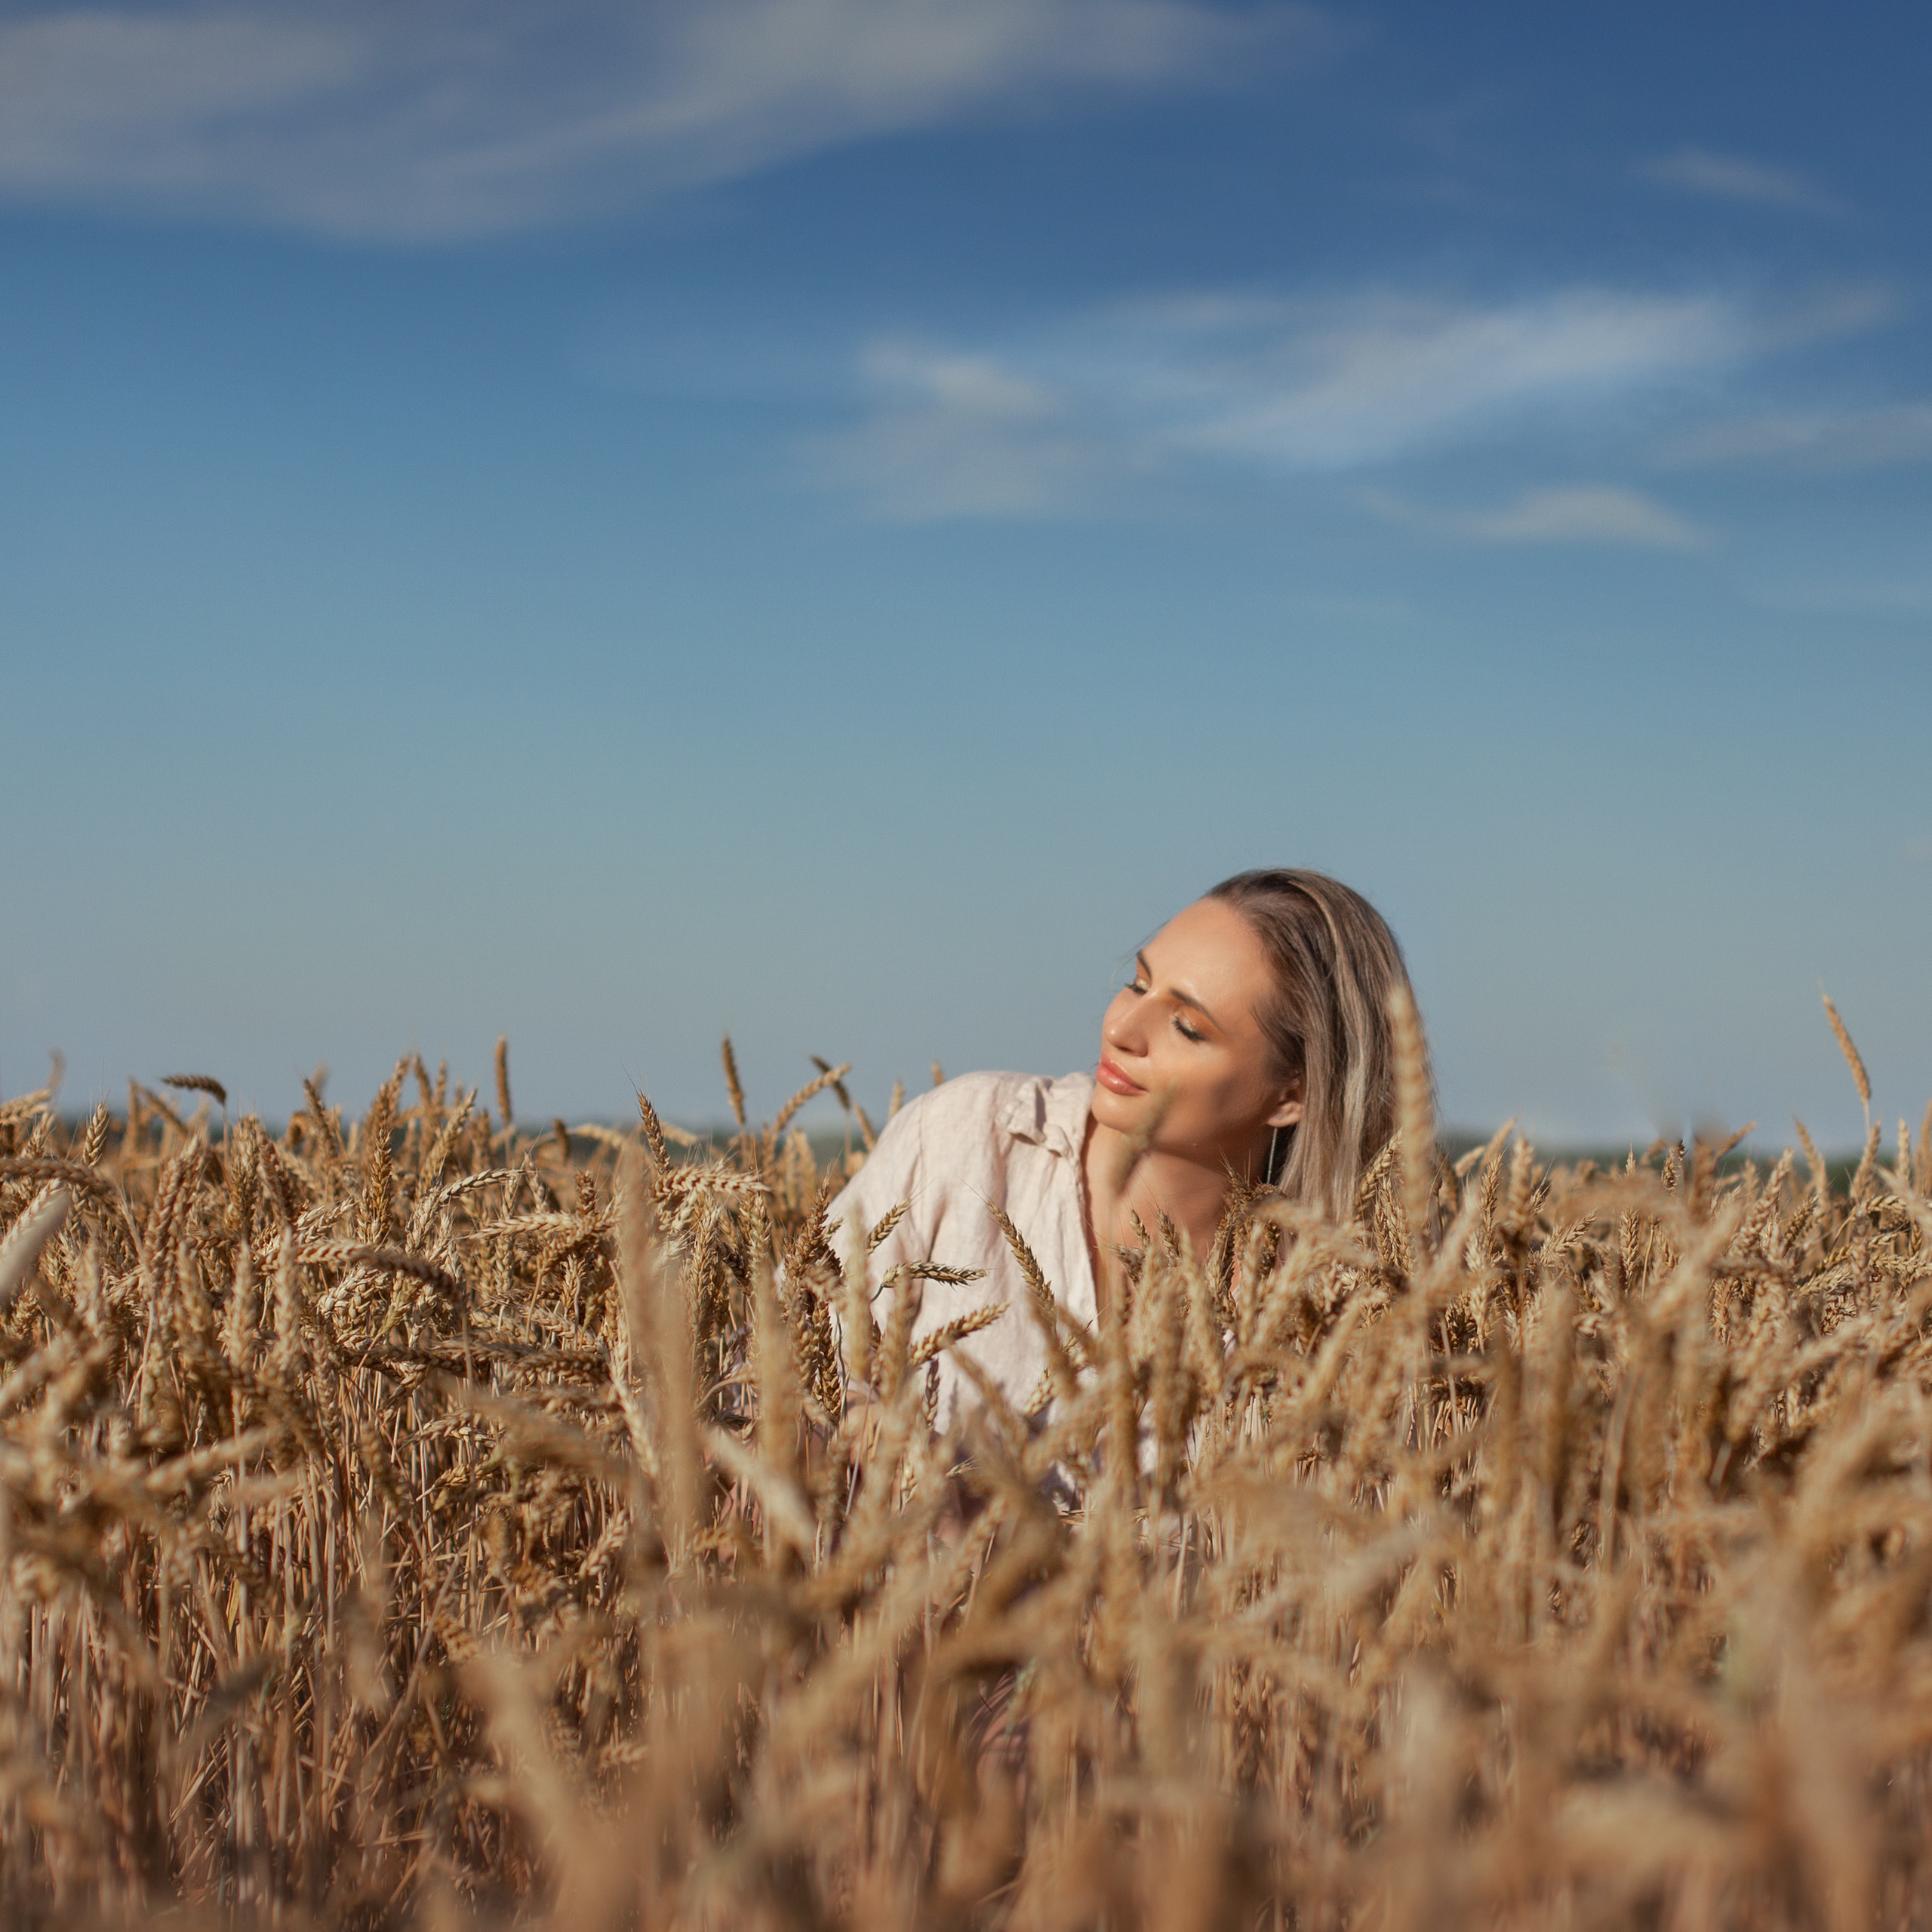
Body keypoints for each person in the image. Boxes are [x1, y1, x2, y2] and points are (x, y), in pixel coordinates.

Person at [823, 868, 1420, 1428]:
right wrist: (868, 1441)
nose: (1121, 1030)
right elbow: (784, 1366)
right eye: (1139, 983)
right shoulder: (970, 1137)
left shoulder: (1327, 1317)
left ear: (1292, 1095)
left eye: (1187, 1027)